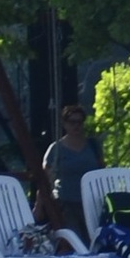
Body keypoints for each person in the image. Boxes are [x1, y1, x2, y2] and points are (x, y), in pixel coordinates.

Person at [41, 100, 103, 239]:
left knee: (94, 238)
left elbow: (101, 172)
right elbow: (45, 178)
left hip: (92, 202)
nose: (76, 125)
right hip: (66, 202)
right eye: (72, 122)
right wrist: (40, 205)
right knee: (73, 239)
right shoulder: (56, 149)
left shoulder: (93, 146)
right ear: (64, 124)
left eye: (79, 122)